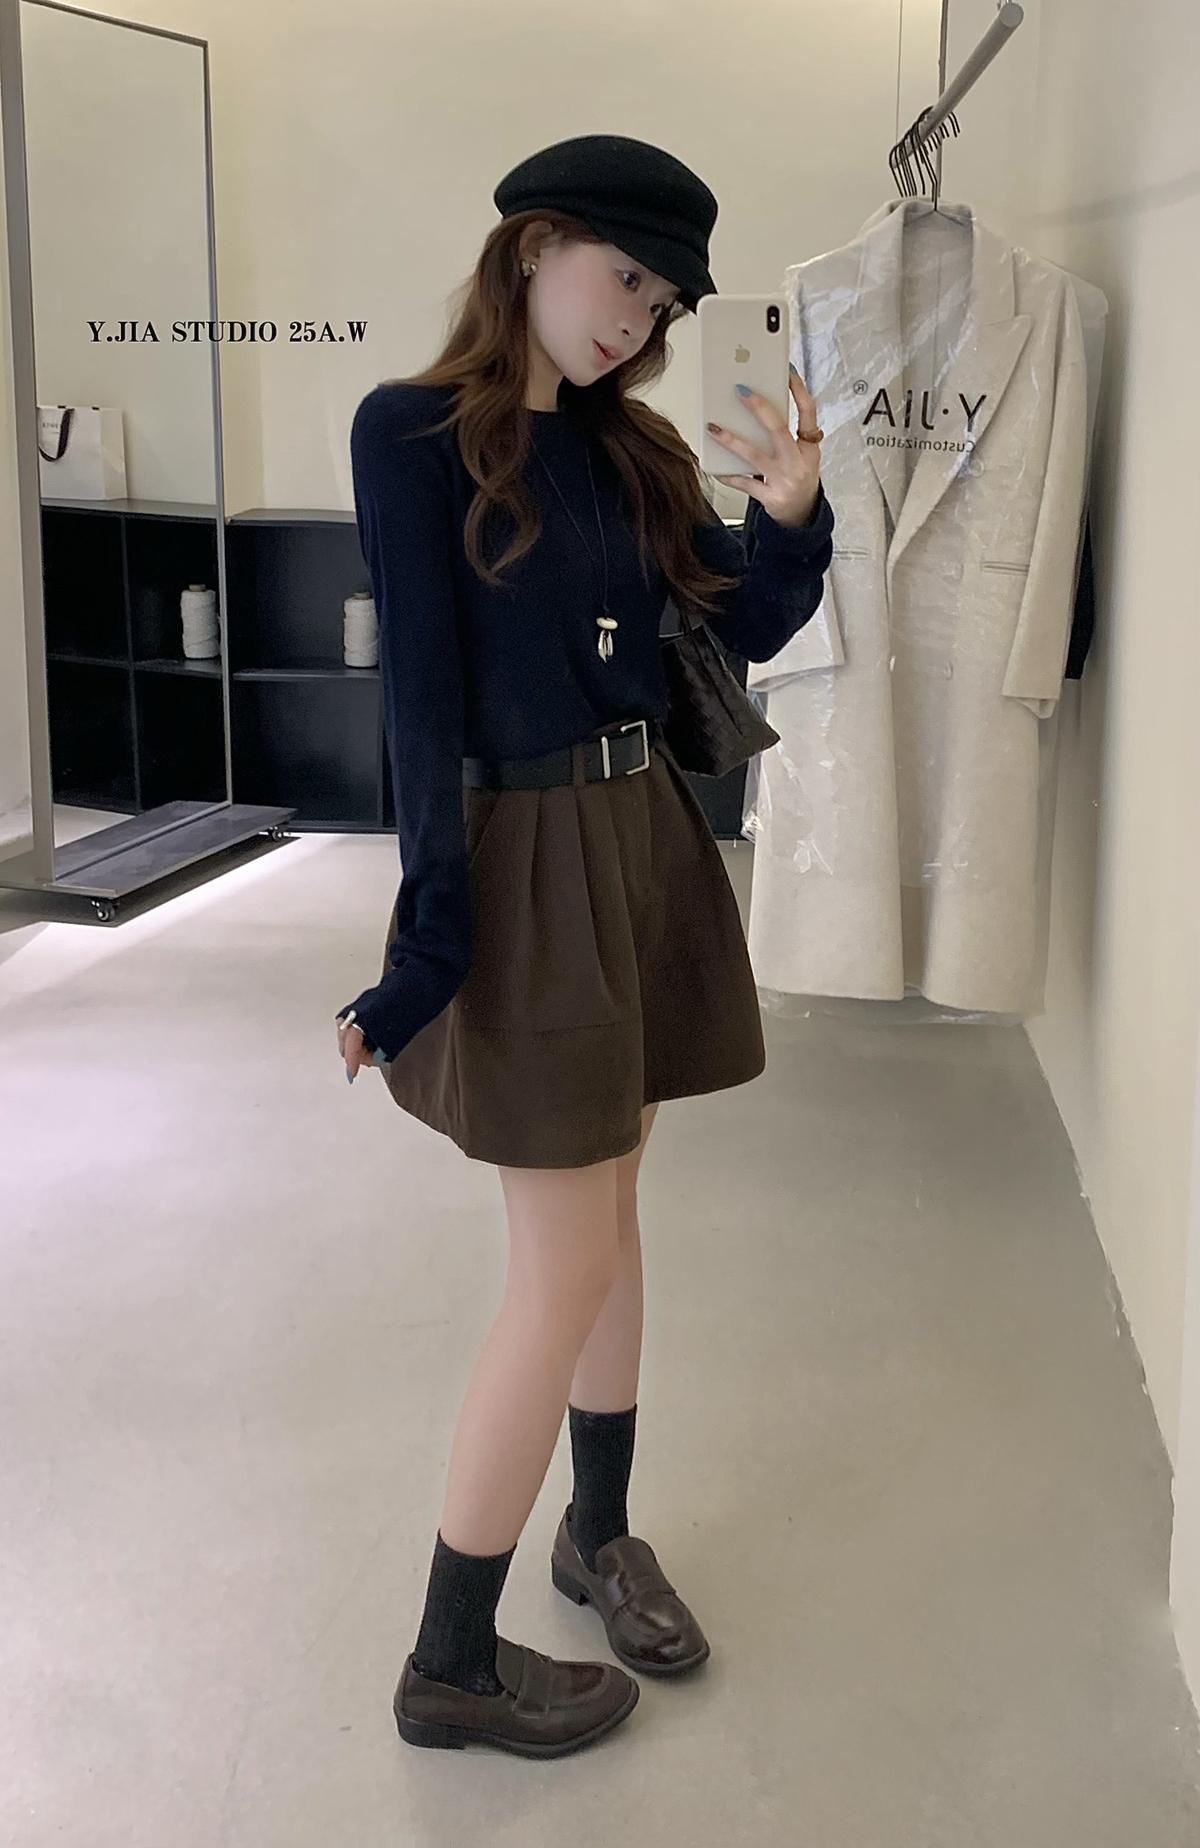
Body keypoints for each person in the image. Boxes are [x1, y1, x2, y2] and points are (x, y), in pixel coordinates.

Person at [333, 133, 834, 1759]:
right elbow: (420, 711)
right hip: (526, 860)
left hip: (641, 847)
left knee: (611, 1226)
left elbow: (738, 625)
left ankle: (598, 1535)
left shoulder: (635, 451)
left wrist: (791, 521)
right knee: (557, 1273)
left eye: (665, 303)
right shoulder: (414, 436)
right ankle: (450, 1661)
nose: (639, 321)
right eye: (625, 278)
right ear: (534, 245)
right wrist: (426, 948)